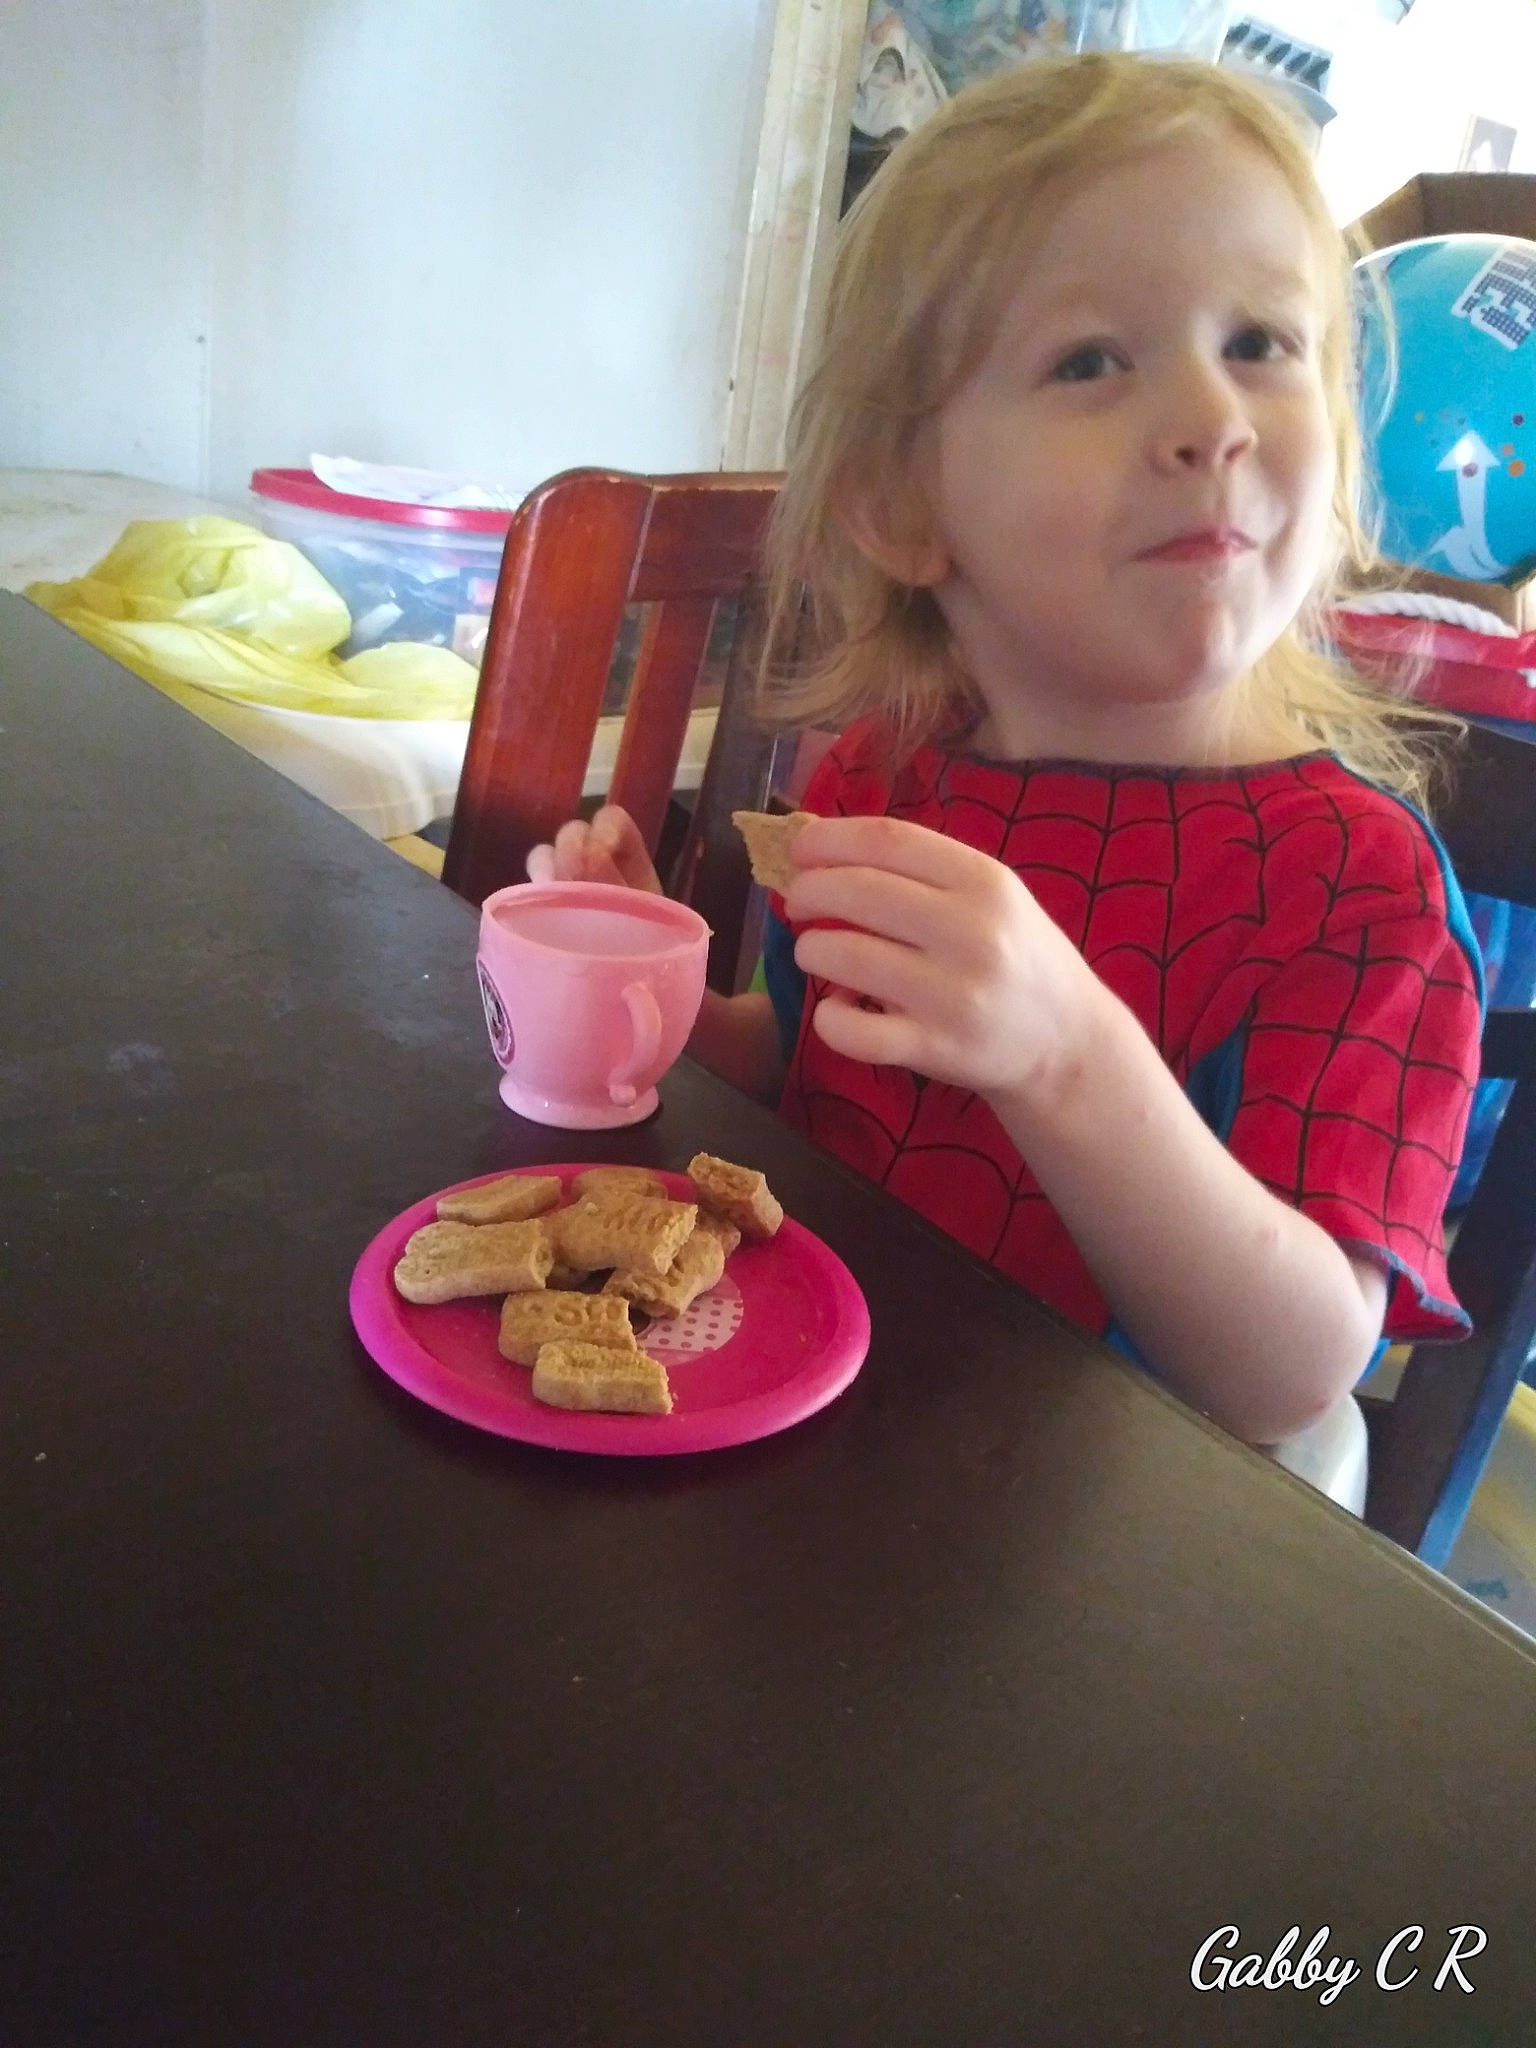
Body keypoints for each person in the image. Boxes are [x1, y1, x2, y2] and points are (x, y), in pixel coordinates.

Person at [527, 53, 1482, 1450]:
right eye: (1093, 360)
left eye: (1261, 344)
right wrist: (670, 1010)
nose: (1213, 421)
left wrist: (1065, 1052)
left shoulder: (1361, 887)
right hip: (806, 1438)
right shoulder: (882, 778)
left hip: (1120, 1560)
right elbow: (821, 1087)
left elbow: (1297, 1379)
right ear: (904, 508)